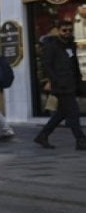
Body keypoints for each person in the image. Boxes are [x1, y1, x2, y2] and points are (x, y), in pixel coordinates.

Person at [33, 20, 86, 150]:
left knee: (61, 113)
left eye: (69, 30)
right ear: (58, 31)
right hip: (61, 85)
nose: (67, 32)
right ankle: (81, 140)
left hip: (71, 83)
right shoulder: (52, 46)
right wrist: (56, 80)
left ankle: (42, 136)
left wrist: (79, 80)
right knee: (73, 112)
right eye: (64, 30)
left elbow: (74, 65)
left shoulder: (71, 45)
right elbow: (47, 65)